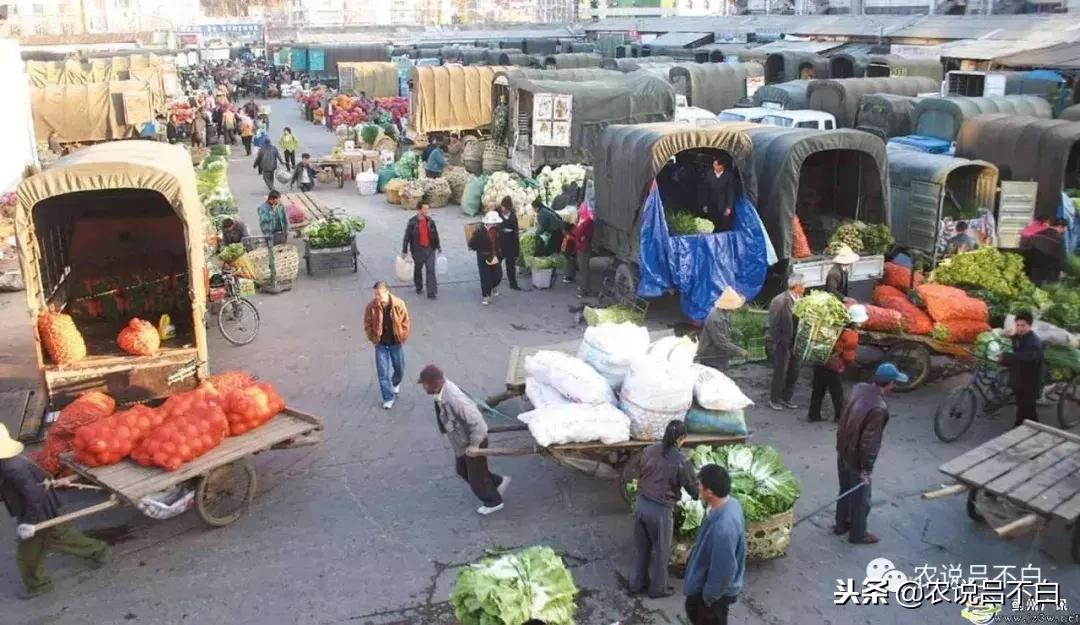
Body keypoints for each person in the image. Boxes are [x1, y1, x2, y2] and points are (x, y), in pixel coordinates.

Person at [1, 424, 108, 598]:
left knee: (29, 554)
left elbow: (34, 496)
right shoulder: (13, 462)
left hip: (38, 512)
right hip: (42, 507)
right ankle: (98, 550)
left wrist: (30, 523)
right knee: (61, 535)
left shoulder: (13, 469)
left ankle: (38, 585)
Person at [418, 364, 509, 515]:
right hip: (462, 440)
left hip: (473, 440)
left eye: (425, 384)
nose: (423, 387)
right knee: (463, 470)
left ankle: (494, 502)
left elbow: (478, 424)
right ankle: (497, 483)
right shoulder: (441, 391)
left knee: (476, 477)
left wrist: (475, 446)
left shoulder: (454, 399)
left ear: (433, 384)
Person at [835, 362, 906, 545]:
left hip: (843, 449)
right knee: (861, 498)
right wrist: (866, 469)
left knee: (845, 490)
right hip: (856, 458)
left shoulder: (859, 388)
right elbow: (869, 443)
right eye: (894, 383)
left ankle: (841, 524)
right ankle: (858, 534)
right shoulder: (878, 408)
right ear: (890, 383)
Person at [630, 420, 699, 599]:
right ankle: (657, 589)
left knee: (642, 548)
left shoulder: (649, 450)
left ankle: (636, 583)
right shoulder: (682, 461)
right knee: (662, 551)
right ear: (681, 439)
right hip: (660, 511)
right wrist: (699, 495)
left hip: (641, 503)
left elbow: (639, 471)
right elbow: (693, 488)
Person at [683, 464, 746, 625]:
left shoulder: (723, 528)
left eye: (700, 485)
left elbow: (723, 570)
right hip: (706, 588)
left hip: (713, 597)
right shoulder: (731, 504)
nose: (697, 487)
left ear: (709, 492)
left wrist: (708, 597)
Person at [808, 305, 866, 422]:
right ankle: (840, 416)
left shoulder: (835, 326)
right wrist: (846, 364)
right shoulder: (850, 335)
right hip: (833, 365)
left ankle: (813, 415)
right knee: (837, 392)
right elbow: (848, 355)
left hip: (820, 360)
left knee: (818, 390)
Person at [364, 282, 410, 410]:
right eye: (375, 294)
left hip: (395, 342)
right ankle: (388, 398)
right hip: (381, 343)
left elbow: (405, 321)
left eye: (378, 294)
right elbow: (367, 323)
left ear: (386, 292)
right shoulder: (371, 307)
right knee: (382, 372)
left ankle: (396, 382)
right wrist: (373, 337)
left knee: (399, 368)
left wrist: (402, 336)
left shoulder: (398, 304)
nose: (376, 297)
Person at [766, 274, 805, 411]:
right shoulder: (779, 301)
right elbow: (773, 323)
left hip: (796, 341)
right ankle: (774, 399)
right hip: (782, 342)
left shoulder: (801, 300)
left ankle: (786, 398)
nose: (804, 288)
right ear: (796, 286)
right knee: (780, 372)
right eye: (802, 285)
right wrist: (775, 341)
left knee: (794, 371)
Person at [1001, 309, 1044, 427]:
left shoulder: (1034, 341)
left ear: (1030, 326)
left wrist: (1006, 356)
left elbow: (1027, 357)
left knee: (1027, 407)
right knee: (1023, 406)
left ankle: (1025, 427)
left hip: (1031, 379)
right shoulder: (1020, 337)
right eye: (1018, 325)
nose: (1020, 328)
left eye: (1023, 325)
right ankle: (1025, 426)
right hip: (1020, 376)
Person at [696, 287, 748, 371]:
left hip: (720, 354)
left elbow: (726, 328)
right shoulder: (715, 318)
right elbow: (721, 342)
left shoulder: (726, 313)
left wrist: (735, 332)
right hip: (710, 356)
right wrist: (740, 351)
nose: (737, 307)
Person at [402, 202, 441, 299]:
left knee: (431, 269)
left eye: (427, 209)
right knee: (418, 269)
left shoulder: (430, 221)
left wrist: (438, 246)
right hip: (418, 250)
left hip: (430, 249)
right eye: (424, 209)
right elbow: (407, 237)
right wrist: (404, 251)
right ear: (419, 210)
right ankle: (418, 286)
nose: (426, 211)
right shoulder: (412, 222)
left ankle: (431, 292)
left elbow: (435, 234)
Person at [468, 211, 504, 305]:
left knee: (498, 274)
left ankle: (493, 286)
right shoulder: (479, 232)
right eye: (494, 223)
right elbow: (472, 244)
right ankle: (486, 295)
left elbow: (501, 241)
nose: (495, 224)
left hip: (495, 256)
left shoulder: (497, 230)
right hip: (483, 257)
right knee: (485, 277)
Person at [563, 201, 595, 297]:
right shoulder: (583, 220)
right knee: (582, 269)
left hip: (584, 248)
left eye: (581, 209)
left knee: (584, 270)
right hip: (581, 246)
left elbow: (578, 232)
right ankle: (584, 288)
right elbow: (576, 231)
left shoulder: (587, 222)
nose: (579, 211)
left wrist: (577, 230)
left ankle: (584, 290)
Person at [699, 157, 737, 233]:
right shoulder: (709, 173)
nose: (714, 167)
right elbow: (705, 190)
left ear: (721, 166)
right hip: (711, 203)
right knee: (711, 222)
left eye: (716, 165)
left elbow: (730, 192)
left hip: (723, 204)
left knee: (723, 223)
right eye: (714, 164)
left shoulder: (728, 176)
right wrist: (704, 204)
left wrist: (729, 207)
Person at [1025, 218, 1067, 286]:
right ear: (1060, 227)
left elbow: (1028, 249)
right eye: (1064, 228)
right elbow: (1062, 257)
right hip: (1049, 272)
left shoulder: (1037, 234)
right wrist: (1062, 270)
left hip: (1033, 268)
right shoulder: (1059, 239)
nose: (1064, 230)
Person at [497, 197, 521, 290]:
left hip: (510, 244)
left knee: (511, 265)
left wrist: (516, 250)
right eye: (504, 208)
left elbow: (516, 232)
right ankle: (493, 280)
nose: (505, 210)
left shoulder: (513, 216)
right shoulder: (496, 213)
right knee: (496, 263)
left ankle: (513, 283)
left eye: (507, 209)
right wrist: (501, 230)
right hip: (499, 244)